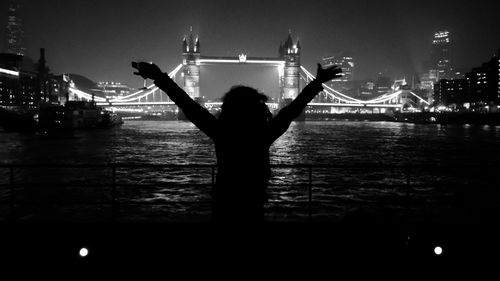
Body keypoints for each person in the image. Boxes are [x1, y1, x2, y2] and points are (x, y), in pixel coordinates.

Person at [132, 61, 342, 223]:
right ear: (259, 110)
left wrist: (159, 77)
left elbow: (187, 104)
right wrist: (316, 83)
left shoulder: (221, 132)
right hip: (253, 205)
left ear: (227, 109)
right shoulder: (263, 135)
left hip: (224, 205)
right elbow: (292, 110)